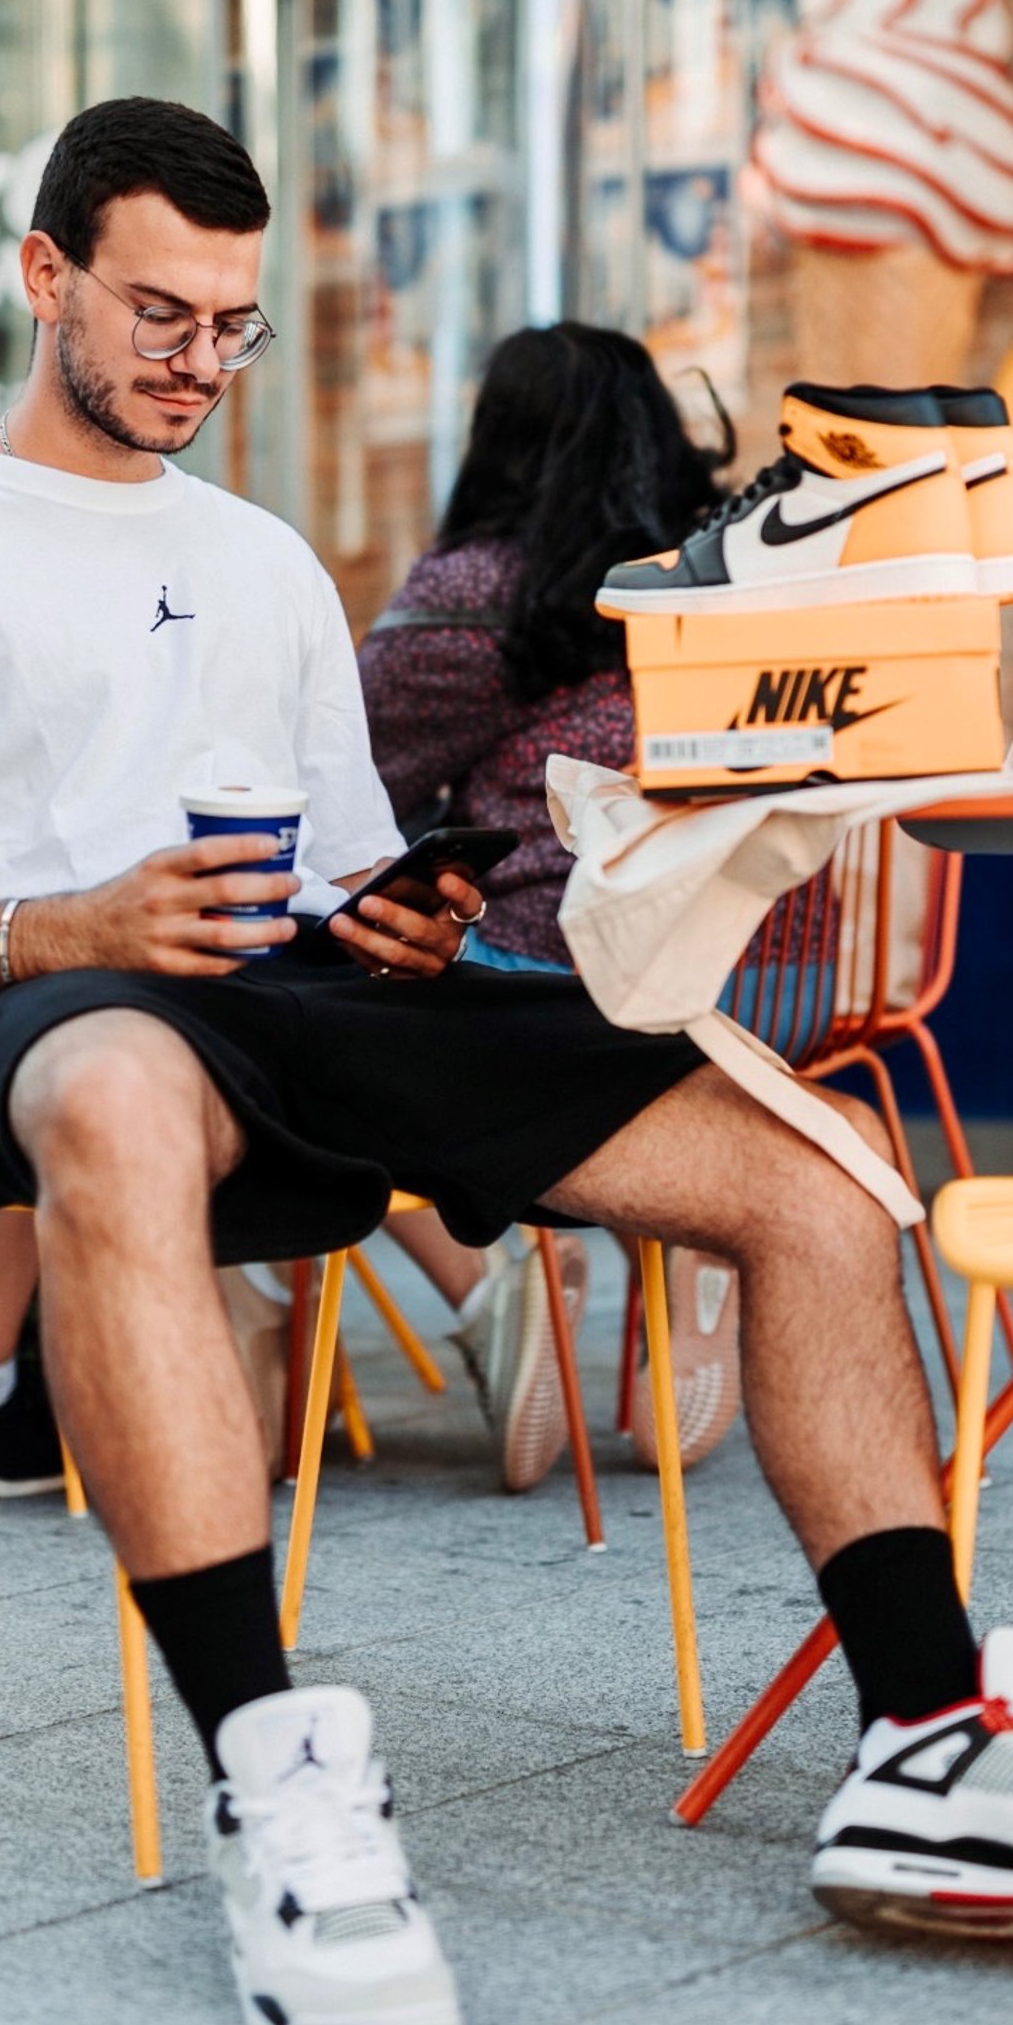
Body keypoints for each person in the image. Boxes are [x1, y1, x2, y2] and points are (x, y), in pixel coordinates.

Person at [0, 95, 1013, 2025]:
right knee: (117, 1088)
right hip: (39, 1010)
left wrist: (388, 913)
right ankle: (276, 1771)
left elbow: (322, 862)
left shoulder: (268, 560)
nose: (200, 360)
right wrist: (66, 921)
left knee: (811, 1170)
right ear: (43, 279)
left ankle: (927, 1734)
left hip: (300, 1001)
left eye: (231, 324)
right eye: (157, 313)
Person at [359, 322, 743, 1486]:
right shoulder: (738, 575)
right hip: (761, 977)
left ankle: (488, 1287)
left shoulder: (480, 593)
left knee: (295, 1024)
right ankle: (696, 1225)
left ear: (502, 440)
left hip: (547, 977)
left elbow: (345, 776)